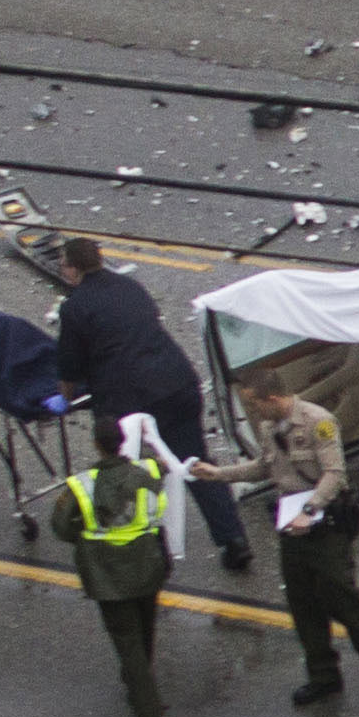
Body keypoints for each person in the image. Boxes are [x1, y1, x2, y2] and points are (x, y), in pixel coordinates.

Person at [48, 236, 249, 573]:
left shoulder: (75, 307)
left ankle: (151, 551)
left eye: (63, 263)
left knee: (131, 477)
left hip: (130, 402)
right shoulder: (130, 286)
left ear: (72, 268)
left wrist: (65, 398)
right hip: (175, 382)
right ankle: (233, 540)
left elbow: (70, 366)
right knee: (194, 461)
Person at [205, 365, 359, 708]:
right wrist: (218, 475)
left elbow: (334, 474)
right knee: (302, 604)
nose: (255, 411)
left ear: (273, 398)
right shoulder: (269, 427)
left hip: (325, 525)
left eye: (257, 404)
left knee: (342, 596)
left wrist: (311, 510)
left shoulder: (318, 421)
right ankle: (323, 675)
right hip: (292, 527)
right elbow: (264, 466)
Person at [51, 417, 176, 717]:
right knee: (145, 629)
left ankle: (150, 716)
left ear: (96, 444)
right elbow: (162, 474)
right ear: (123, 441)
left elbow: (62, 527)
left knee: (127, 642)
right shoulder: (147, 473)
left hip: (107, 574)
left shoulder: (82, 485)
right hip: (147, 565)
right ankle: (139, 682)